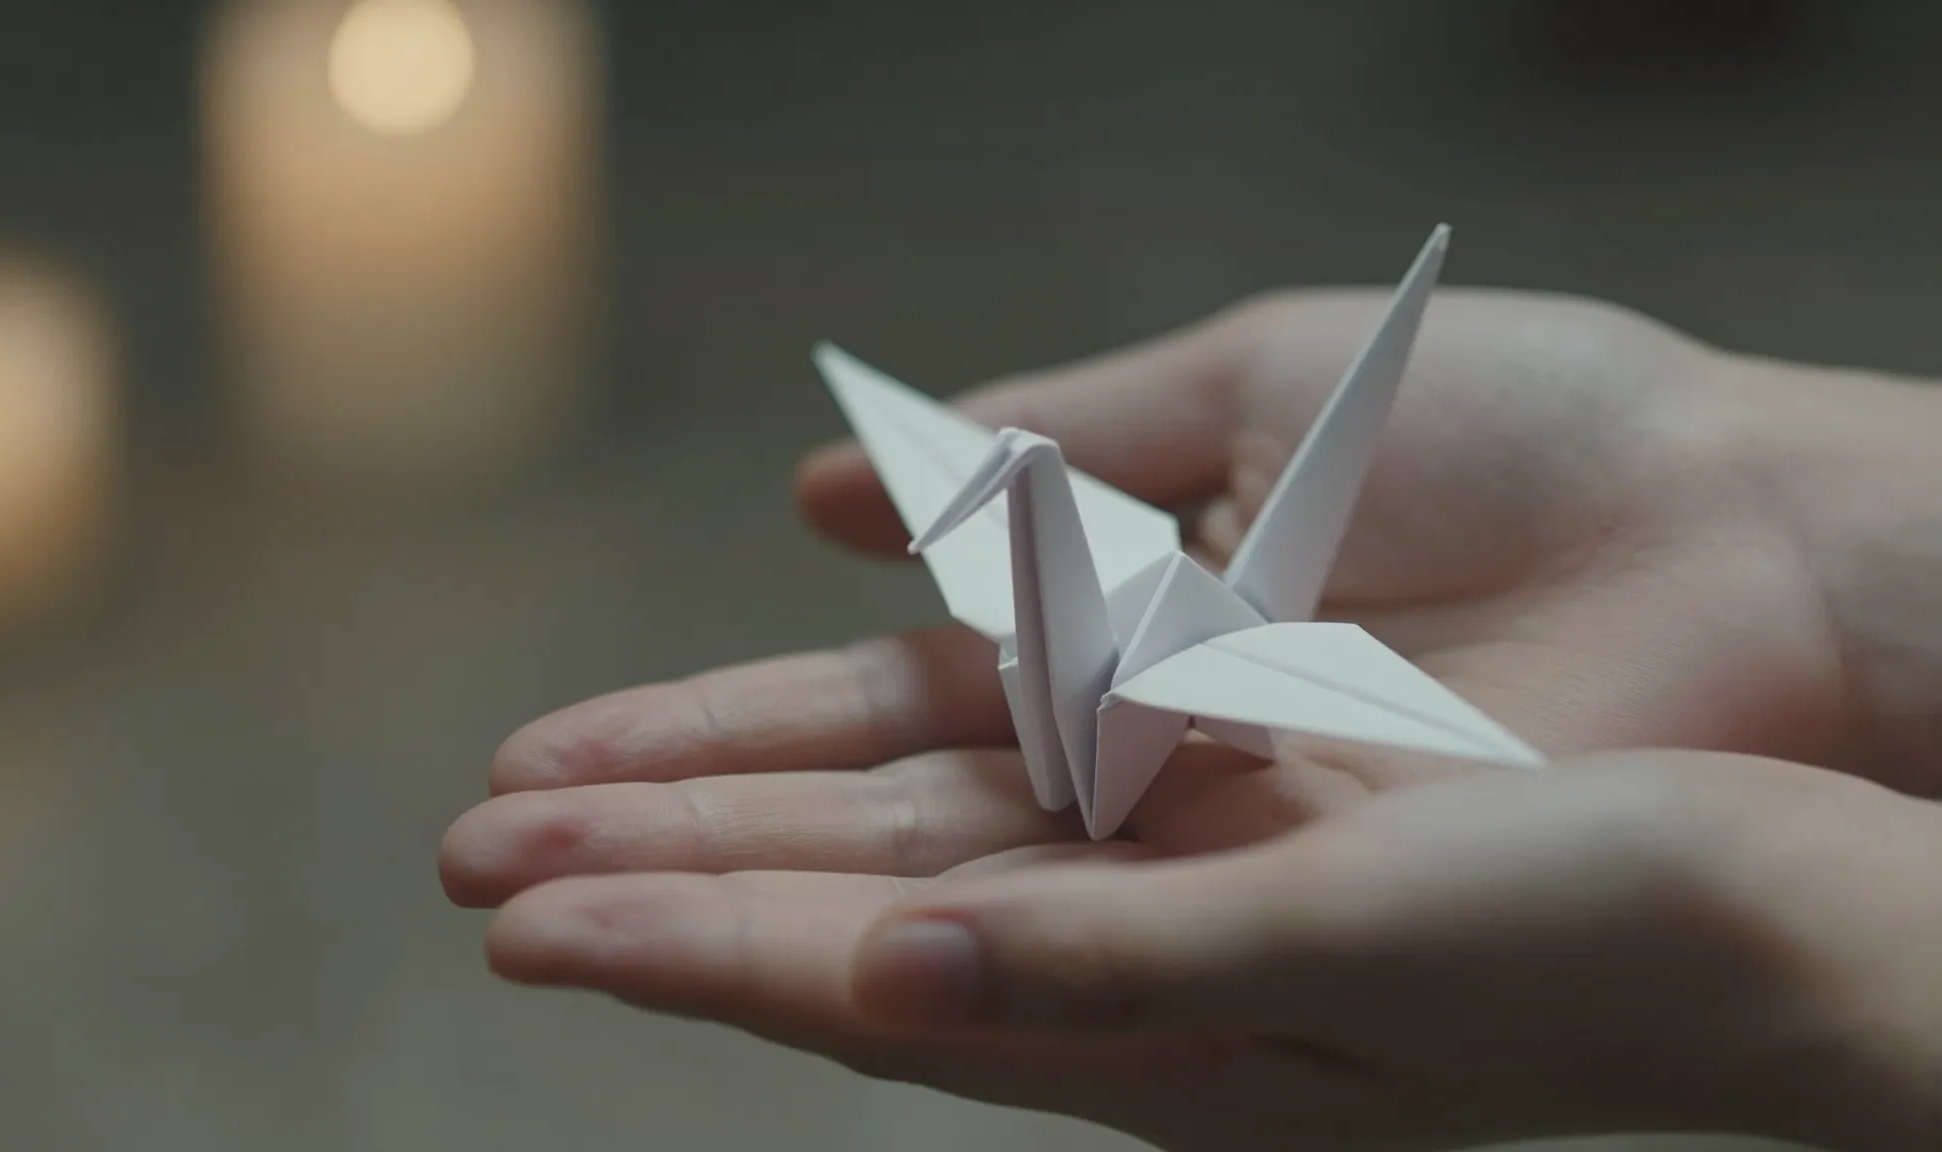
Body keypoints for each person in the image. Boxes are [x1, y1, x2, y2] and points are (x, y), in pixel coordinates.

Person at [440, 284, 1942, 1151]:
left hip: (1223, 652)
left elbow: (1255, 648)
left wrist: (1811, 922)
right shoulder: (1044, 588)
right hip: (1156, 648)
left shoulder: (1224, 650)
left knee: (1112, 609)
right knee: (1018, 546)